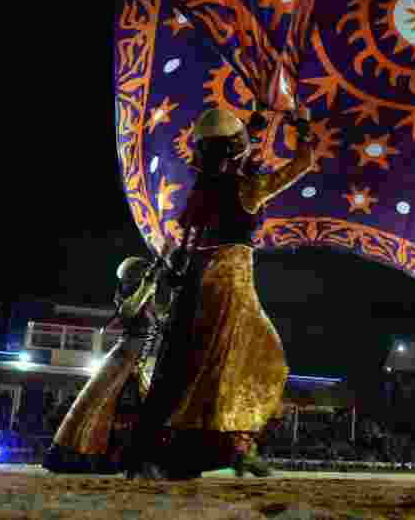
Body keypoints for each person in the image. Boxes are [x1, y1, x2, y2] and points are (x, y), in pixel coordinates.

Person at [127, 107, 315, 480]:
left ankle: (168, 452)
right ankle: (238, 447)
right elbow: (303, 162)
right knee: (256, 358)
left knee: (189, 364)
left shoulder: (201, 190)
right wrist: (302, 127)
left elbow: (234, 159)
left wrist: (256, 123)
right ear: (236, 149)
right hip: (231, 282)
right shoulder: (248, 189)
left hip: (198, 279)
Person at [43, 256, 171, 473]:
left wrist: (170, 278)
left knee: (133, 410)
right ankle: (89, 455)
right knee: (104, 404)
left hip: (138, 363)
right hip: (124, 357)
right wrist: (149, 281)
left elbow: (164, 314)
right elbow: (129, 311)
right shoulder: (128, 300)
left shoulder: (149, 303)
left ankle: (132, 457)